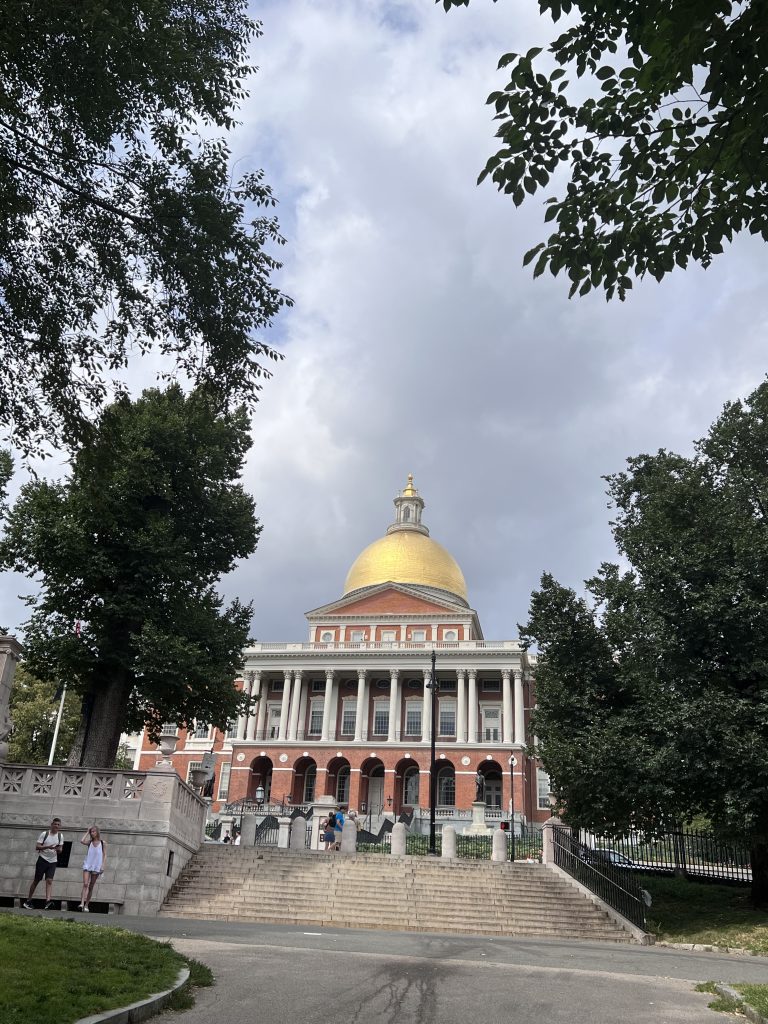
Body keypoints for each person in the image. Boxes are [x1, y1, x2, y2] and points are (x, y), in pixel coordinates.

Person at [23, 817, 64, 910]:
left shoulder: (60, 836)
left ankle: (48, 901)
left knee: (49, 881)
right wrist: (47, 847)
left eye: (58, 825)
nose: (56, 826)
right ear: (51, 825)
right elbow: (37, 847)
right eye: (55, 824)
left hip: (53, 861)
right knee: (37, 880)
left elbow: (61, 849)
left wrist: (58, 849)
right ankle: (28, 901)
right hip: (42, 860)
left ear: (60, 826)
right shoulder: (44, 834)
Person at [78, 825, 106, 912]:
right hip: (88, 864)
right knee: (85, 884)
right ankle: (82, 903)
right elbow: (82, 841)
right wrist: (87, 831)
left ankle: (86, 905)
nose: (92, 833)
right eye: (91, 832)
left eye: (93, 831)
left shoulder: (103, 843)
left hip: (96, 866)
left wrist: (103, 865)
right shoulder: (89, 842)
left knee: (91, 886)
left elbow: (105, 855)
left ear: (97, 832)